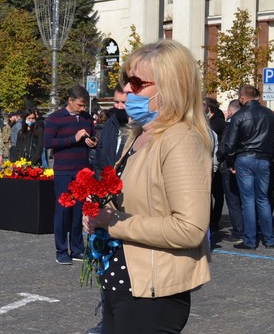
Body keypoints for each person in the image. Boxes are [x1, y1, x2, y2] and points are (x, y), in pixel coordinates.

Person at [84, 40, 212, 333]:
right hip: (126, 282)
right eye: (125, 81)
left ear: (169, 89)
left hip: (152, 294)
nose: (127, 89)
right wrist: (97, 212)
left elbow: (189, 228)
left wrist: (112, 223)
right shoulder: (140, 135)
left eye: (137, 83)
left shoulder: (179, 140)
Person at [220, 84, 274, 250]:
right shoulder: (270, 114)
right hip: (263, 159)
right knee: (263, 199)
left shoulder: (239, 116)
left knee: (248, 200)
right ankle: (269, 240)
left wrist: (231, 162)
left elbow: (230, 143)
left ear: (241, 97)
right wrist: (272, 158)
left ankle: (250, 240)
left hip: (245, 159)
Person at [44, 85, 97, 265]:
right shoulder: (55, 118)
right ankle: (61, 250)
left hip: (82, 171)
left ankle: (77, 249)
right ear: (70, 101)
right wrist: (72, 139)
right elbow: (48, 142)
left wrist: (92, 141)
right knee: (63, 211)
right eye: (80, 105)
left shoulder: (87, 118)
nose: (83, 109)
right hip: (64, 172)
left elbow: (94, 137)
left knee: (78, 211)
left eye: (84, 106)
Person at [218, 99, 245, 243]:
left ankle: (238, 231)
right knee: (244, 199)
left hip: (230, 166)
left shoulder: (230, 125)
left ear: (229, 111)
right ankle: (246, 229)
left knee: (233, 200)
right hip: (243, 164)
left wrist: (221, 157)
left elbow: (225, 146)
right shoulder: (245, 122)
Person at [204, 98, 226, 234]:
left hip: (213, 166)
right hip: (214, 165)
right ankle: (212, 223)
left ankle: (213, 222)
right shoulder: (211, 124)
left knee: (214, 196)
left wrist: (214, 166)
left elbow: (216, 147)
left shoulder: (214, 125)